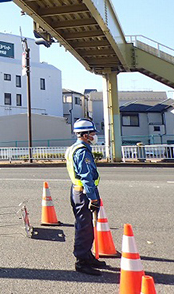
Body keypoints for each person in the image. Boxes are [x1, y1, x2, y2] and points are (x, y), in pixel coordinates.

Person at [65, 118, 107, 276]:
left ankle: (87, 256)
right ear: (85, 134)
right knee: (84, 228)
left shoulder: (74, 148)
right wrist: (94, 199)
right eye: (92, 132)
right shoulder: (82, 151)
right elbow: (86, 177)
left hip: (77, 190)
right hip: (83, 192)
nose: (95, 135)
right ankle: (81, 261)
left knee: (86, 226)